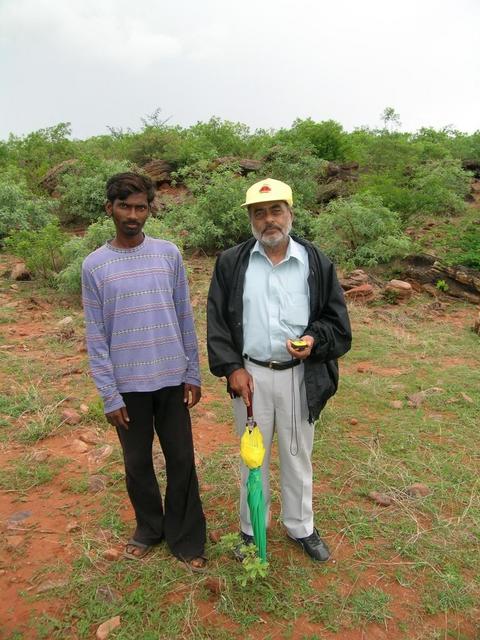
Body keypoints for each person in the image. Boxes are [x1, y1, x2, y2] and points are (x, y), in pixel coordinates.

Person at [207, 178, 351, 562]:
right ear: (251, 219)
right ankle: (252, 530)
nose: (268, 220)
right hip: (250, 376)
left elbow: (336, 322)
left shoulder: (315, 261)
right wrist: (232, 369)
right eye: (259, 213)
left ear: (290, 213)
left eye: (275, 211)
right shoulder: (232, 262)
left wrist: (313, 341)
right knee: (252, 456)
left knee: (297, 453)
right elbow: (218, 322)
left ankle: (300, 526)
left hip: (299, 376)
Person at [81, 172, 206, 570]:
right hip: (127, 386)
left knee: (181, 459)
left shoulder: (168, 254)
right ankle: (149, 530)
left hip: (171, 378)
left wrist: (193, 372)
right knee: (137, 464)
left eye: (140, 207)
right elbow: (96, 335)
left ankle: (186, 539)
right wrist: (109, 394)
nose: (133, 215)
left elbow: (185, 315)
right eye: (124, 206)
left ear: (150, 209)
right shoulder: (94, 266)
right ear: (109, 209)